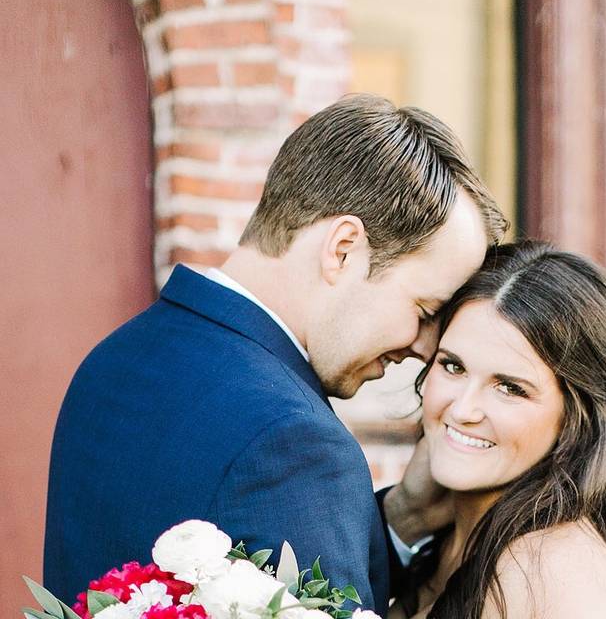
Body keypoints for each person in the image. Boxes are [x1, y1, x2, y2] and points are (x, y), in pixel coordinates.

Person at [43, 94, 508, 617]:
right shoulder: (294, 440)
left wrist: (403, 517)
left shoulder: (113, 360)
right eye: (424, 309)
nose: (425, 347)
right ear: (343, 249)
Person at [389, 241, 606, 618]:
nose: (462, 409)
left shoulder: (557, 572)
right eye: (453, 367)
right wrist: (405, 515)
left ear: (575, 418)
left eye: (510, 387)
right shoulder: (444, 541)